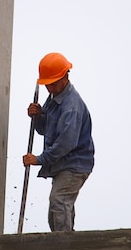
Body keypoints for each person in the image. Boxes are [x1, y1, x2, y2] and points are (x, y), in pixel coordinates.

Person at [23, 52, 95, 232]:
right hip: (63, 164)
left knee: (59, 202)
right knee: (59, 207)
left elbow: (65, 144)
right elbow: (45, 130)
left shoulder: (71, 106)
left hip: (74, 164)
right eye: (47, 85)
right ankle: (66, 244)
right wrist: (39, 116)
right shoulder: (55, 96)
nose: (50, 88)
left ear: (65, 76)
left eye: (53, 83)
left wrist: (39, 159)